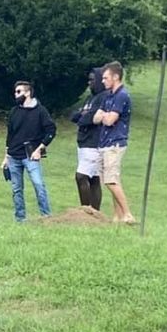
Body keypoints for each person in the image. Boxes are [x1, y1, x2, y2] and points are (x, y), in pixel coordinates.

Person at [0, 80, 57, 222]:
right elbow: (10, 135)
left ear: (28, 92)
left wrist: (39, 149)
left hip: (30, 155)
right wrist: (6, 157)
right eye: (15, 92)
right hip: (13, 156)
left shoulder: (40, 111)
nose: (16, 94)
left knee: (38, 184)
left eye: (19, 91)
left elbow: (51, 130)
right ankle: (20, 219)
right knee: (16, 189)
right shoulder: (14, 112)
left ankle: (46, 216)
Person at [93, 61, 134, 224]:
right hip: (104, 142)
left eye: (106, 78)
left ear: (116, 77)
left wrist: (105, 116)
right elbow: (96, 118)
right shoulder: (108, 95)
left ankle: (128, 214)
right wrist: (104, 116)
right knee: (110, 180)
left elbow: (110, 120)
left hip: (115, 142)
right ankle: (117, 216)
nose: (102, 81)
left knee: (111, 180)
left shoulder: (122, 95)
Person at [70, 67, 106, 210]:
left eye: (92, 80)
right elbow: (74, 116)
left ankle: (86, 210)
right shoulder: (90, 98)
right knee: (93, 178)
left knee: (81, 176)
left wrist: (84, 116)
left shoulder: (104, 97)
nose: (89, 83)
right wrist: (83, 115)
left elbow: (89, 118)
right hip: (83, 142)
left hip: (94, 142)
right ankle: (94, 212)